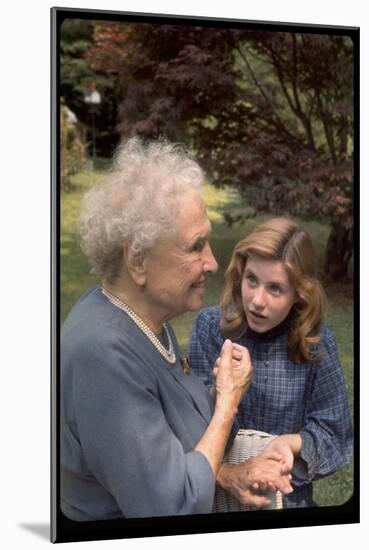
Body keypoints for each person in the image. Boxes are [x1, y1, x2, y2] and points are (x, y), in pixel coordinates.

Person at [61, 138, 293, 521]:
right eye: (196, 246)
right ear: (137, 258)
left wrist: (224, 472)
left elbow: (163, 443)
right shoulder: (101, 354)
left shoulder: (147, 320)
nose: (213, 262)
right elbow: (172, 506)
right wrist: (228, 402)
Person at [188, 217, 353, 508]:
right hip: (217, 496)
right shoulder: (211, 328)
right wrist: (221, 393)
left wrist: (291, 443)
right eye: (252, 280)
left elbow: (335, 435)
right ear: (240, 274)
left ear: (299, 293)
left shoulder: (315, 344)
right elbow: (188, 428)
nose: (256, 301)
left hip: (286, 500)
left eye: (275, 288)